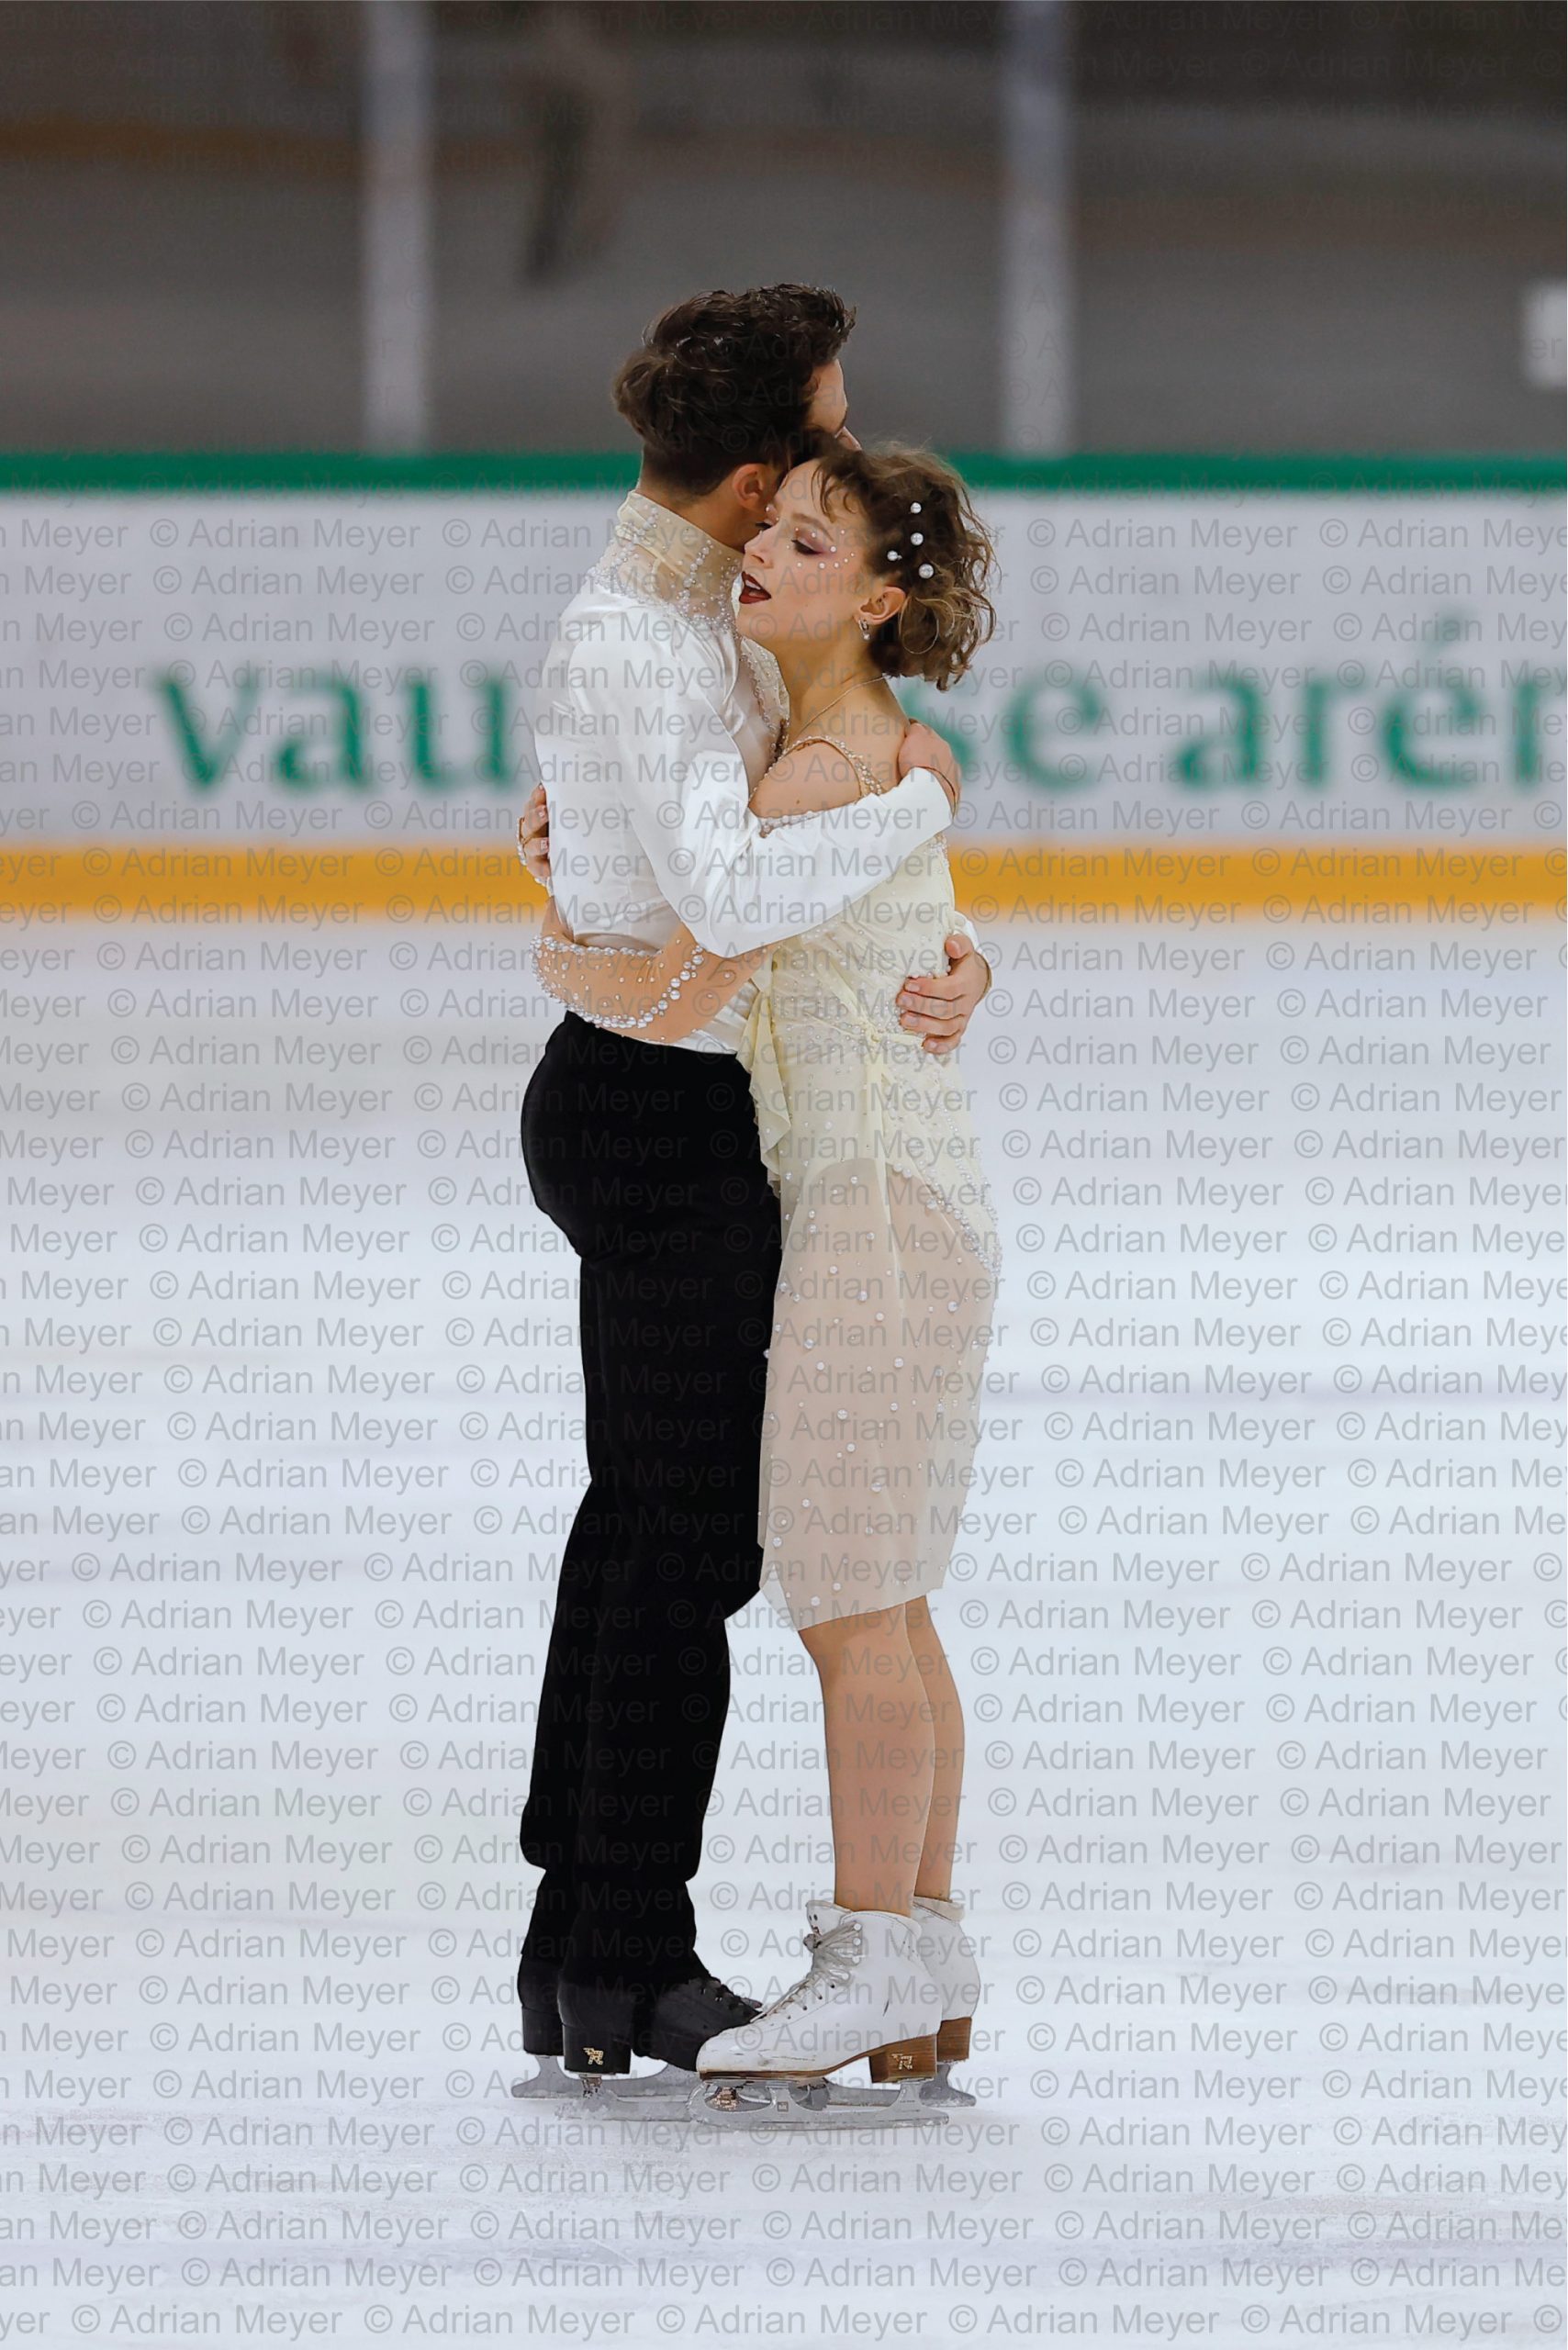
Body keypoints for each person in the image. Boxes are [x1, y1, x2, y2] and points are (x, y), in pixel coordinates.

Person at [512, 285, 993, 2089]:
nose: (826, 459)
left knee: (677, 1536)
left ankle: (593, 1937)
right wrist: (926, 798)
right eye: (808, 438)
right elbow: (723, 894)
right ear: (739, 479)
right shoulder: (650, 637)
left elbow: (765, 881)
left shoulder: (699, 622)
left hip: (742, 1114)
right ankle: (615, 1940)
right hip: (658, 1109)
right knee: (693, 1543)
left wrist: (939, 890)